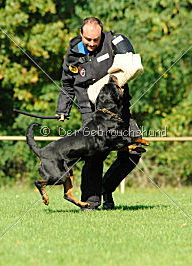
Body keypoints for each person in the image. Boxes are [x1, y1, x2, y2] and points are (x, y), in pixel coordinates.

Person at [56, 17, 141, 210]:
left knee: (134, 149)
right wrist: (63, 109)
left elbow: (129, 64)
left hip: (118, 111)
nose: (92, 43)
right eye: (88, 40)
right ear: (81, 35)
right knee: (94, 155)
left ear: (101, 34)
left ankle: (106, 187)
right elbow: (67, 85)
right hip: (90, 112)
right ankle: (90, 202)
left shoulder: (112, 43)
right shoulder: (73, 54)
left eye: (96, 39)